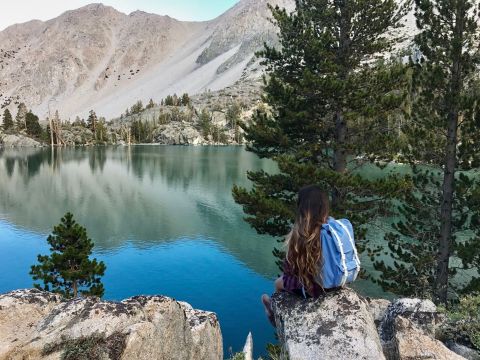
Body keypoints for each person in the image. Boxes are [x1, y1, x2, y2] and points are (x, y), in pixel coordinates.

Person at [261, 185, 345, 325]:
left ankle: (273, 313)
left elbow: (291, 271)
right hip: (337, 281)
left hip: (315, 288)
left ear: (301, 209)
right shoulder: (333, 230)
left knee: (278, 282)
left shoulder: (302, 235)